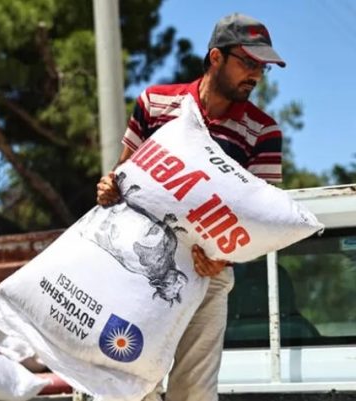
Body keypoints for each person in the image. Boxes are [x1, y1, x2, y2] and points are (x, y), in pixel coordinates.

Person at [96, 13, 285, 401]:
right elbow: (123, 175)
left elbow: (264, 219)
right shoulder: (155, 104)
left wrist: (223, 259)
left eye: (262, 67)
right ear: (216, 57)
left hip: (208, 275)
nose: (256, 75)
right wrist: (108, 186)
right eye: (248, 63)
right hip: (139, 265)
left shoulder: (263, 132)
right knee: (130, 382)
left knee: (194, 392)